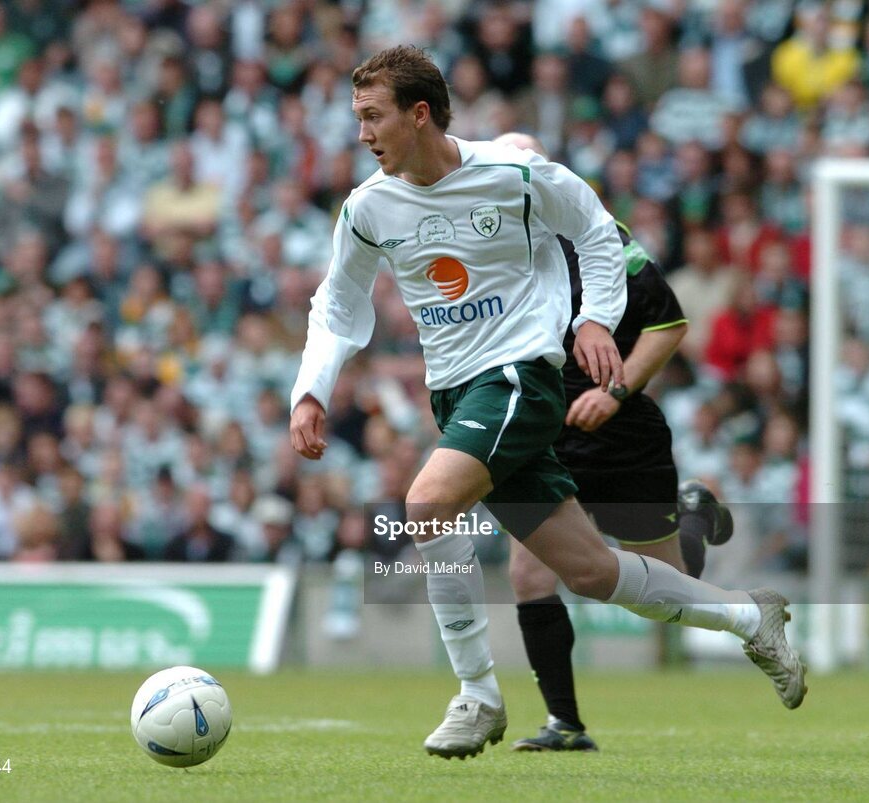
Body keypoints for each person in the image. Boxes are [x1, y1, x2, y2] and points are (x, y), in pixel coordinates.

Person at [289, 46, 806, 761]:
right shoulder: (369, 207)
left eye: (372, 117)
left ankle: (478, 695)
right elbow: (337, 305)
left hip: (518, 379)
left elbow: (595, 229)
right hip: (456, 393)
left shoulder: (518, 176)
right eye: (357, 118)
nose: (362, 133)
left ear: (418, 114)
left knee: (427, 503)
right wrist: (311, 389)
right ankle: (751, 617)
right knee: (593, 572)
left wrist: (595, 317)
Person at [495, 131, 736, 753]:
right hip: (543, 437)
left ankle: (690, 518)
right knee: (530, 574)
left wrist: (615, 391)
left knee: (664, 592)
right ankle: (565, 724)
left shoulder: (600, 235)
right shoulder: (492, 243)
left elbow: (668, 323)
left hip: (621, 435)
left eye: (525, 168)